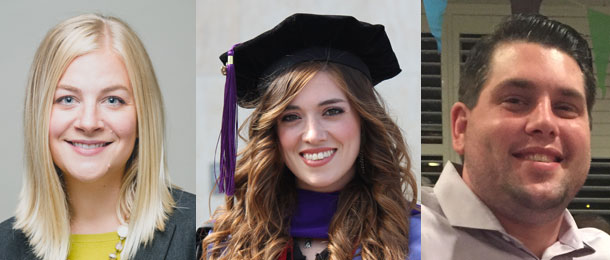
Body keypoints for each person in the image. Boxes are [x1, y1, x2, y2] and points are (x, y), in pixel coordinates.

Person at [198, 13, 420, 260]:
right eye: (291, 117)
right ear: (274, 133)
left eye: (332, 111)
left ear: (363, 121)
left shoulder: (417, 238)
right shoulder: (224, 244)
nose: (313, 135)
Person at [0, 14, 195, 260]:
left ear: (143, 116)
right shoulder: (4, 247)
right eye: (67, 99)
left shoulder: (200, 236)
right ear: (38, 114)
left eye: (113, 100)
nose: (89, 122)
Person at [421, 14, 610, 259]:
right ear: (461, 127)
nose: (545, 121)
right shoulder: (390, 237)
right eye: (515, 100)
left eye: (565, 107)